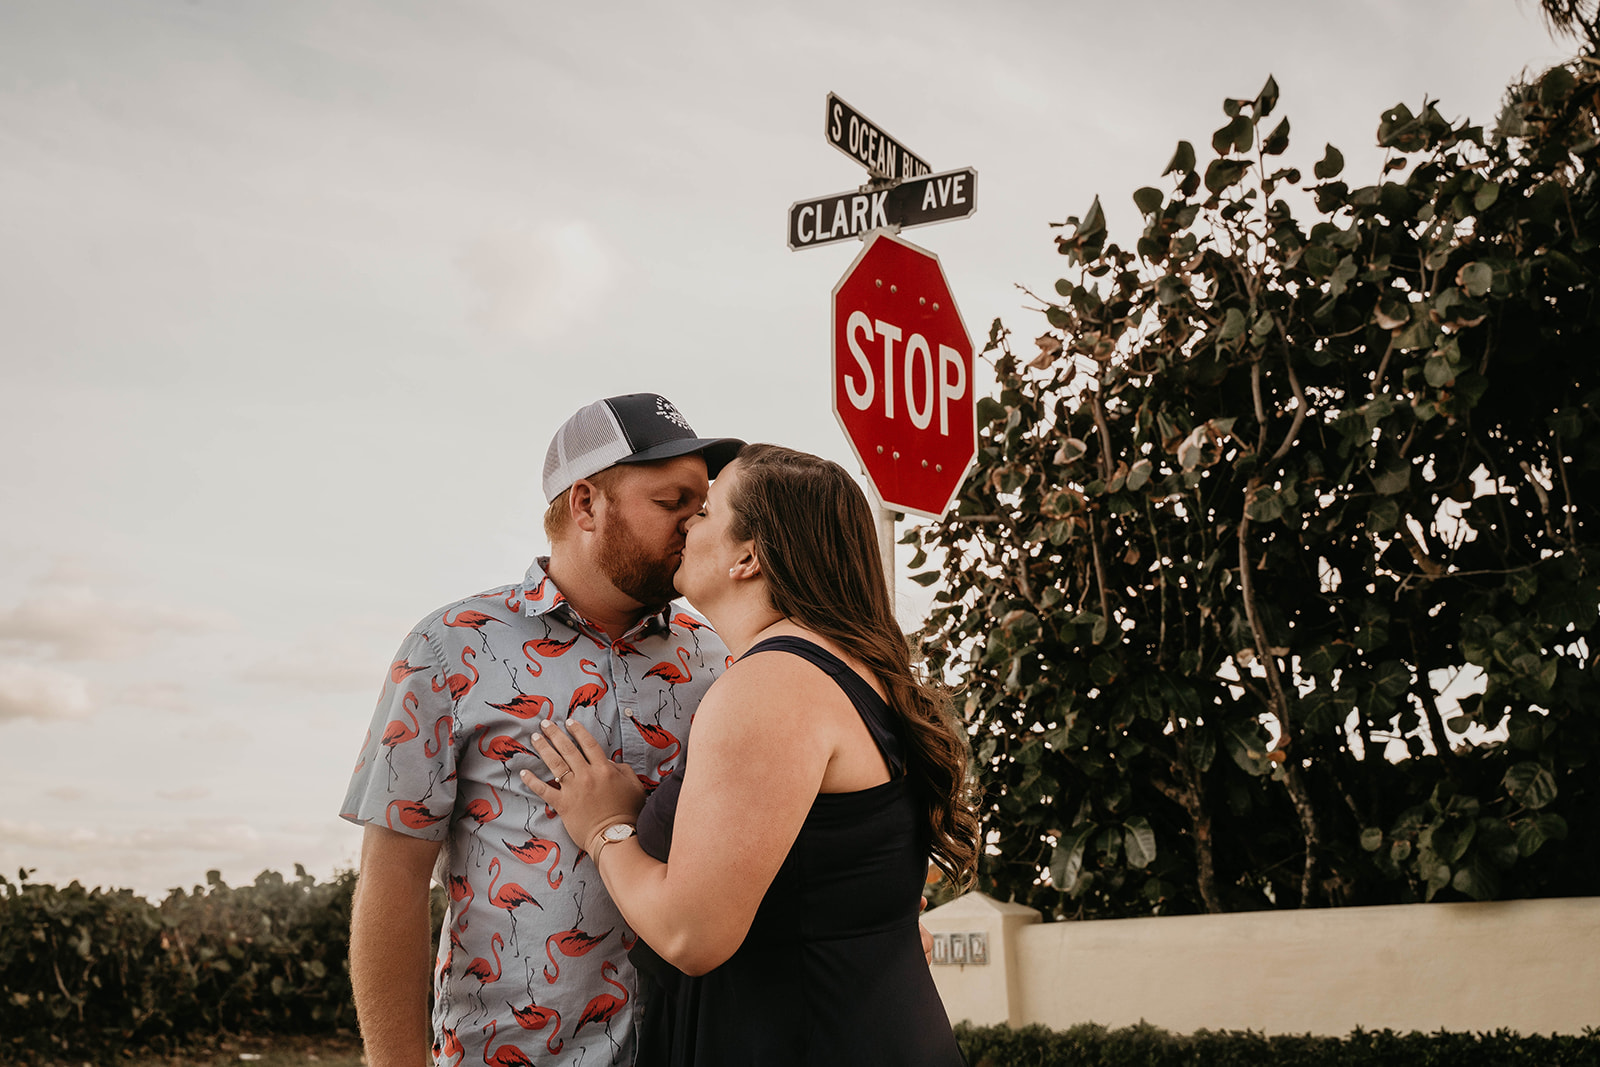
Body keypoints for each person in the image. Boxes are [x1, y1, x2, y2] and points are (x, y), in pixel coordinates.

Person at [522, 443, 979, 1066]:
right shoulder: (841, 669)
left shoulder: (771, 685)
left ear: (748, 557)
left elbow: (691, 934)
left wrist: (606, 827)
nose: (687, 524)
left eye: (706, 511)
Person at [340, 393, 743, 1067]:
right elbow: (393, 878)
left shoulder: (721, 657)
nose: (693, 527)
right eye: (672, 502)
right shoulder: (450, 647)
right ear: (586, 503)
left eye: (701, 507)